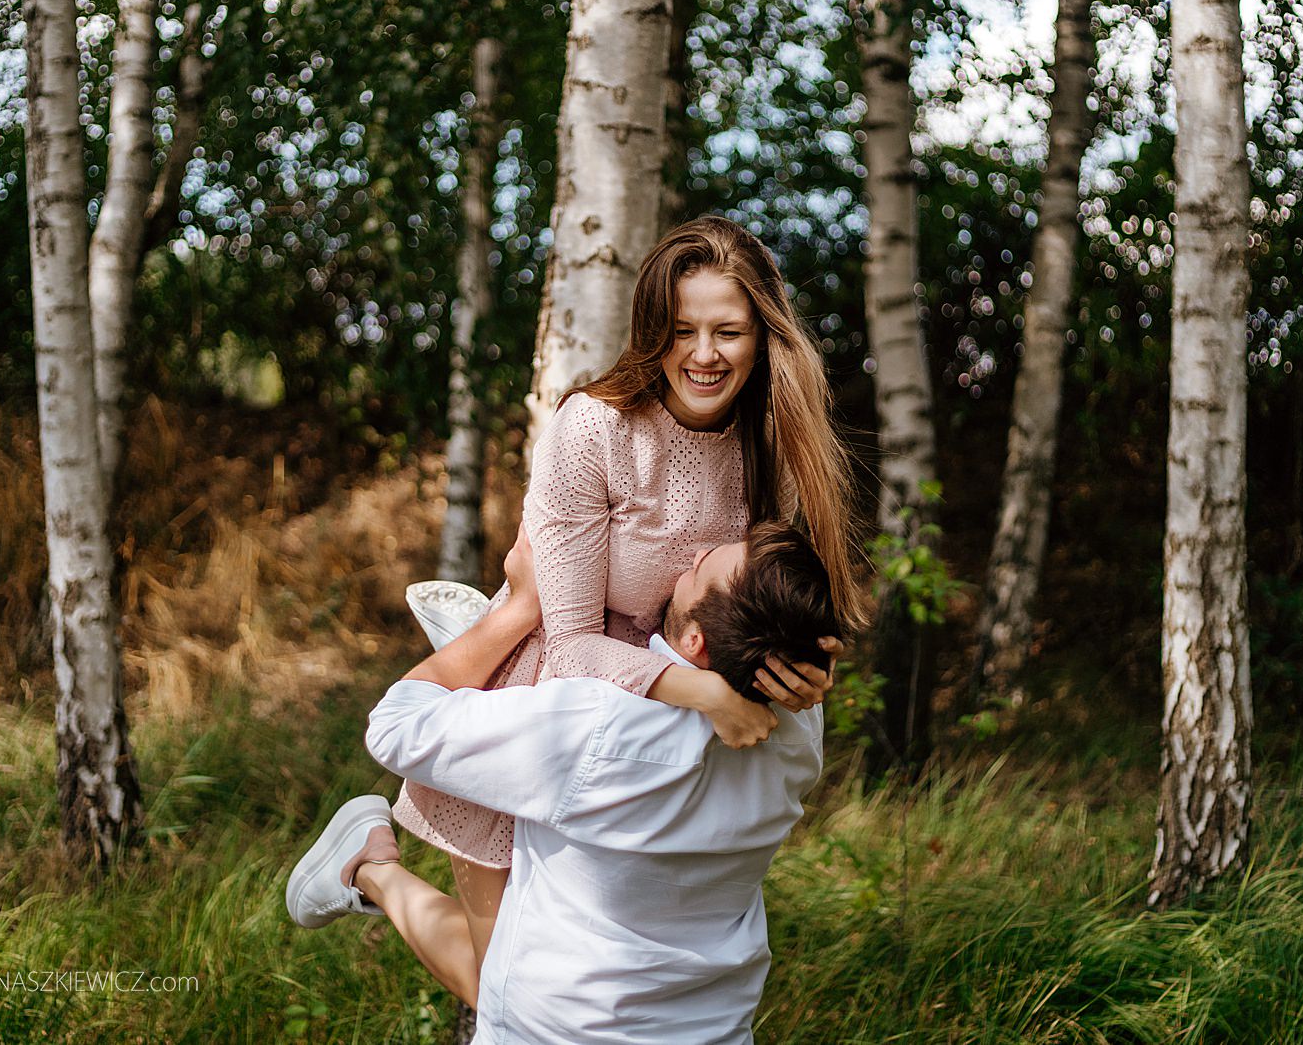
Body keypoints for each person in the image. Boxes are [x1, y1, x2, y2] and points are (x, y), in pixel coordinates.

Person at [392, 214, 869, 969]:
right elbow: (574, 643)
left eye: (730, 332)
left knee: (596, 974)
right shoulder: (596, 430)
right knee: (496, 978)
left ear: (764, 335)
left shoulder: (767, 441)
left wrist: (802, 670)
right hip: (550, 710)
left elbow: (757, 601)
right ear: (654, 330)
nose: (705, 355)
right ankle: (368, 868)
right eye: (682, 330)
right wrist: (709, 695)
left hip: (655, 745)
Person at [287, 519, 841, 1042]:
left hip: (550, 1026)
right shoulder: (796, 736)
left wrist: (519, 612)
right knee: (498, 968)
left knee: (495, 978)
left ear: (695, 642)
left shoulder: (602, 726)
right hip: (711, 1025)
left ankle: (479, 683)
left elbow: (394, 726)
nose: (692, 554)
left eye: (698, 568)